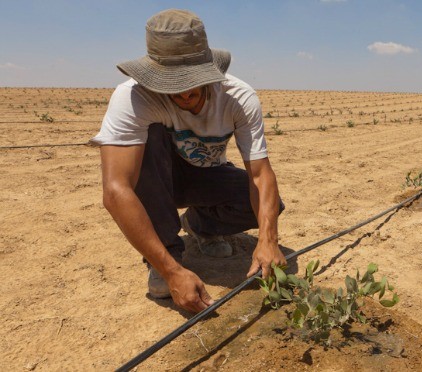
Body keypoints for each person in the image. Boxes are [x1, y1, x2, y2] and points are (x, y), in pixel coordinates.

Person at [90, 9, 286, 313]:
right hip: (154, 179)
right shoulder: (132, 99)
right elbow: (117, 190)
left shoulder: (238, 97)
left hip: (204, 173)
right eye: (173, 86)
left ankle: (200, 226)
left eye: (194, 82)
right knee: (150, 139)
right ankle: (165, 254)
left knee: (264, 207)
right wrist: (171, 271)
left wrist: (269, 239)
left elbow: (260, 175)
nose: (186, 93)